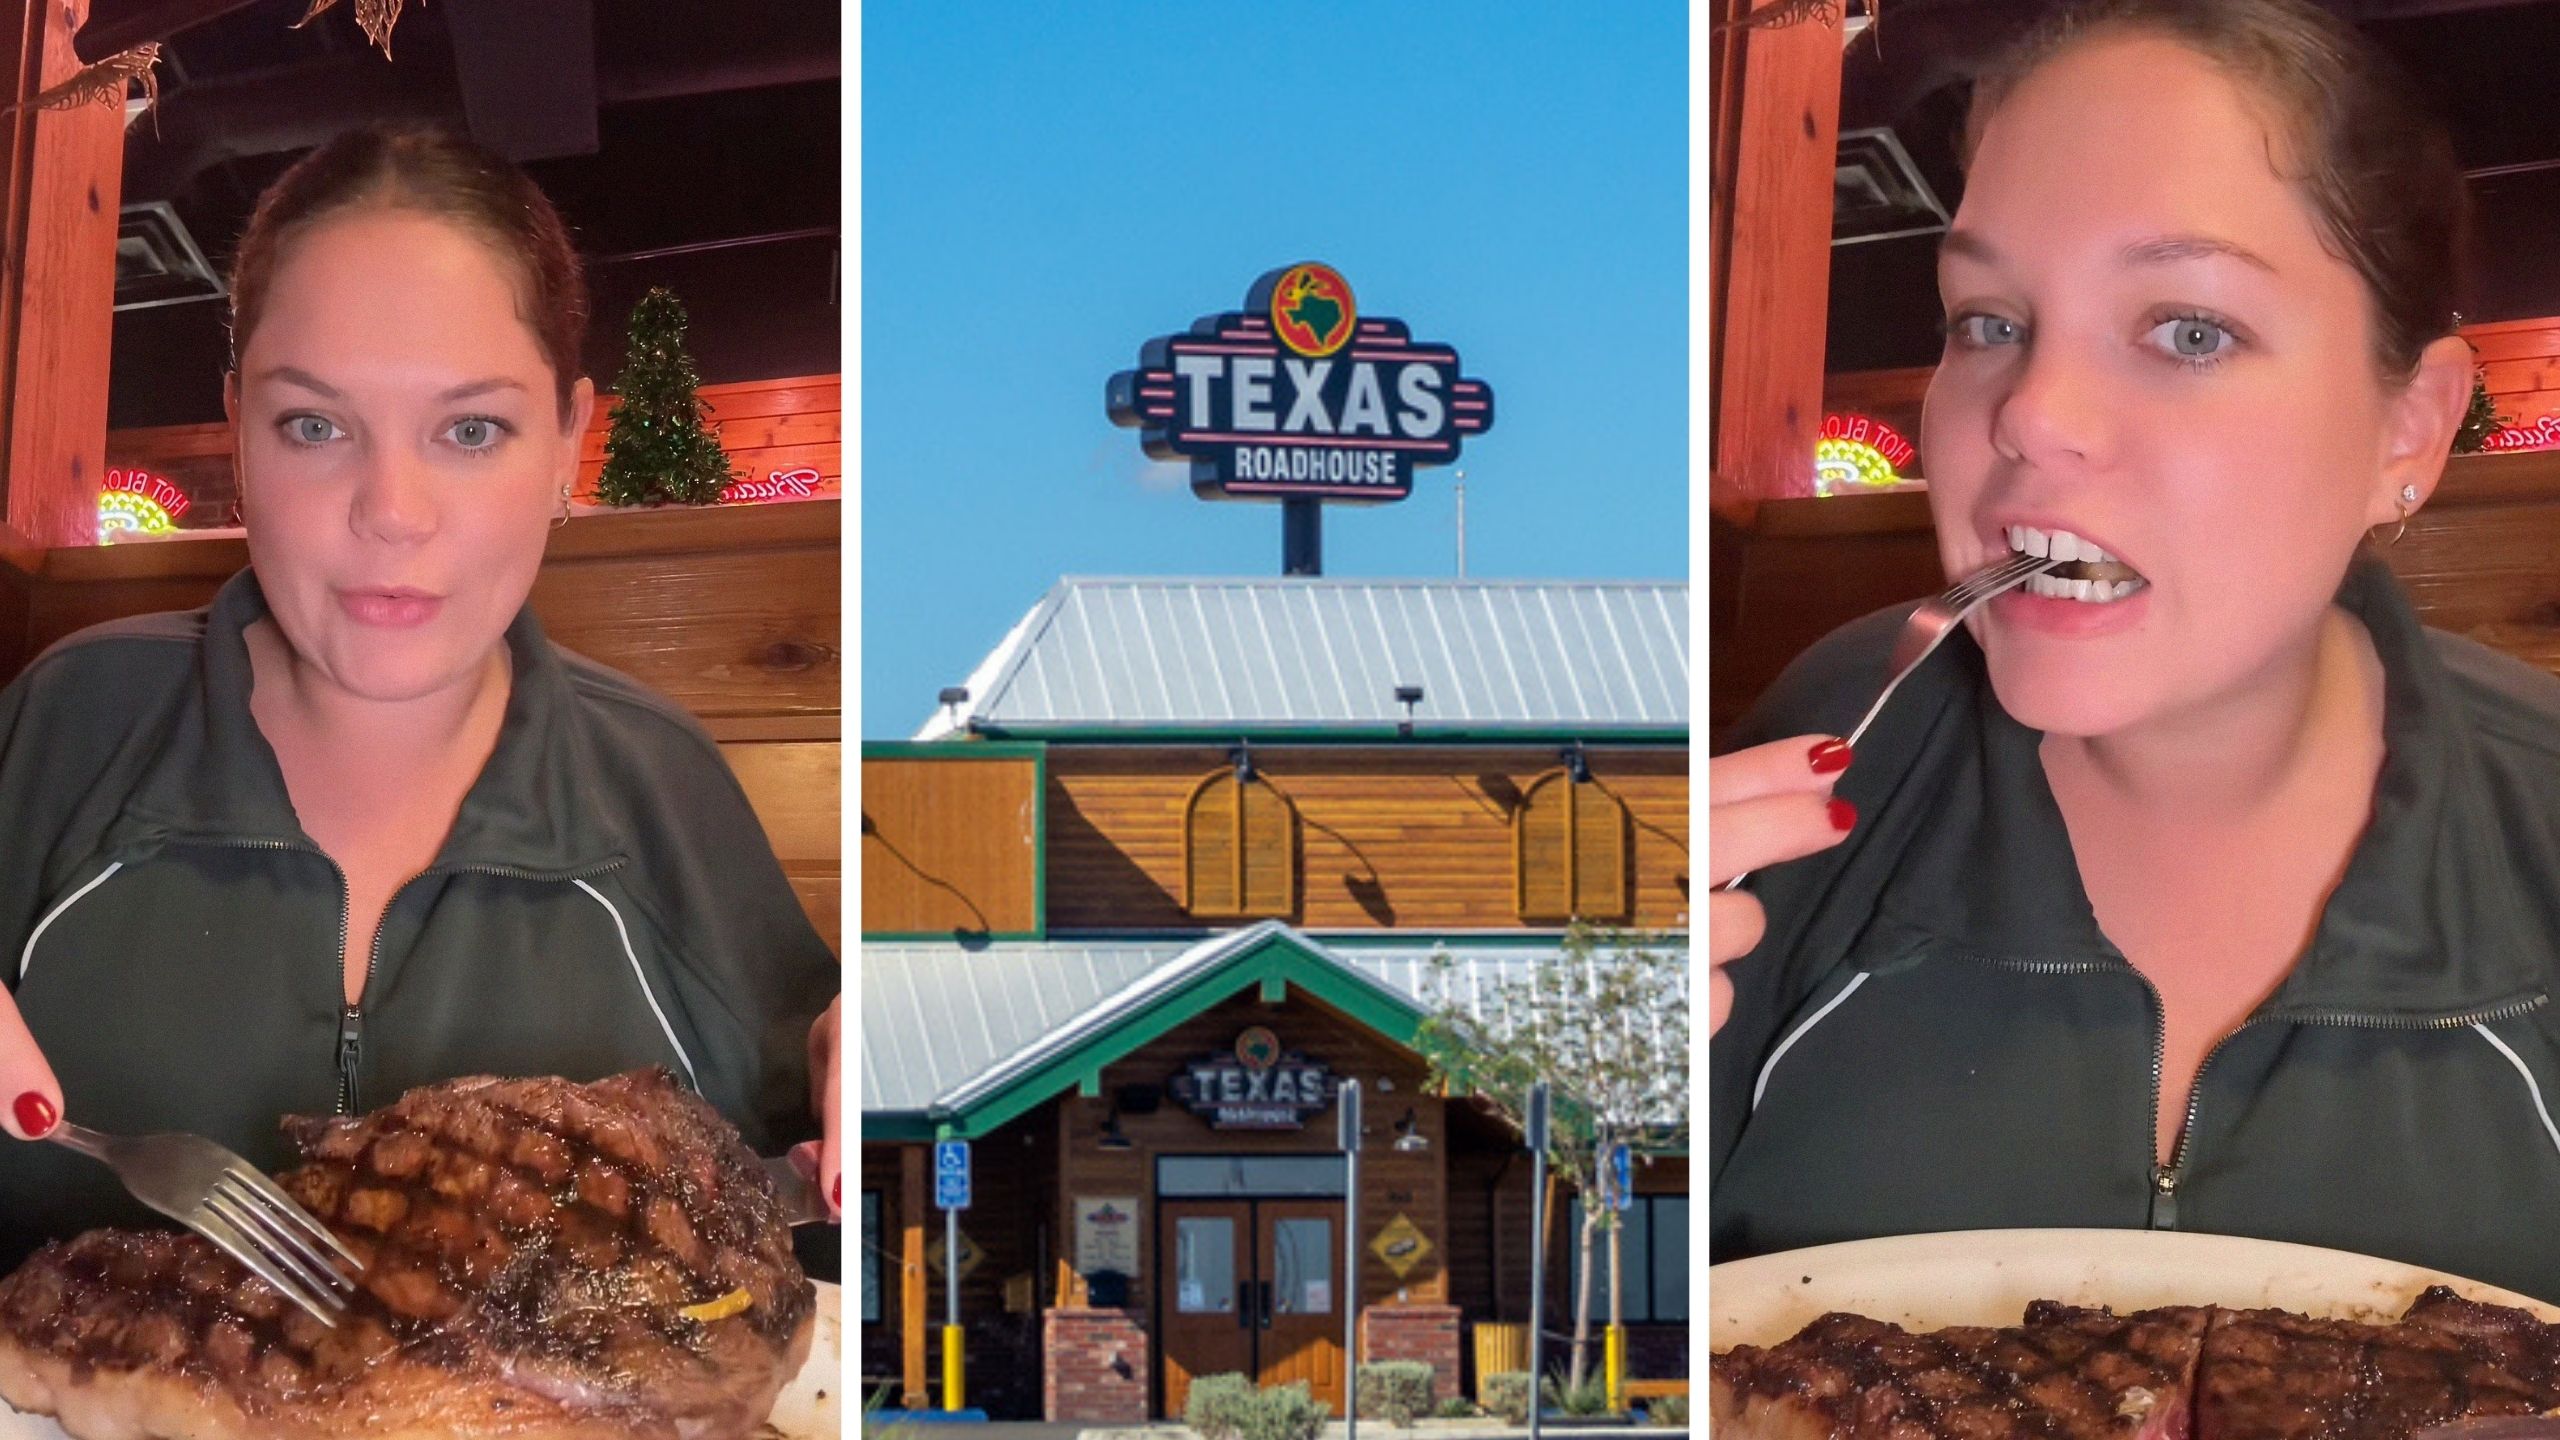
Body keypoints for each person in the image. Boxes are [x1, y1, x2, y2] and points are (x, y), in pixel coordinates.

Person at [1711, 0, 2560, 1299]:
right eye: (1987, 320)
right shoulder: (1826, 750)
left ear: (2411, 424)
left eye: (2189, 330)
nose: (2032, 415)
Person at [0, 125, 841, 1271]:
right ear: (240, 430)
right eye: (314, 425)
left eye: (470, 429)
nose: (391, 509)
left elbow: (824, 1258)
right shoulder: (67, 725)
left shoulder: (663, 793)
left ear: (564, 446)